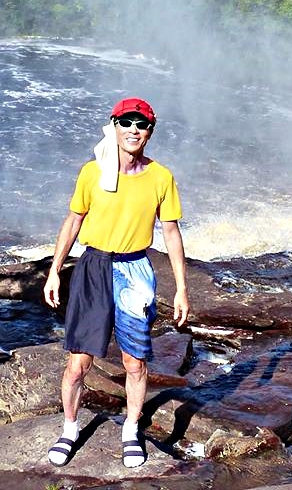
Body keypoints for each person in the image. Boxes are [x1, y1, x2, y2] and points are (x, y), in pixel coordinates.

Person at [43, 96, 189, 469]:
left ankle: (130, 429)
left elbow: (171, 234)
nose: (134, 130)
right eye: (127, 123)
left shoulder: (161, 177)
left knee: (135, 363)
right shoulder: (92, 172)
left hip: (136, 270)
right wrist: (55, 270)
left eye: (142, 125)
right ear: (115, 126)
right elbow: (73, 221)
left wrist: (182, 289)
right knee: (79, 363)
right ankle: (70, 428)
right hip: (94, 267)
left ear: (150, 132)